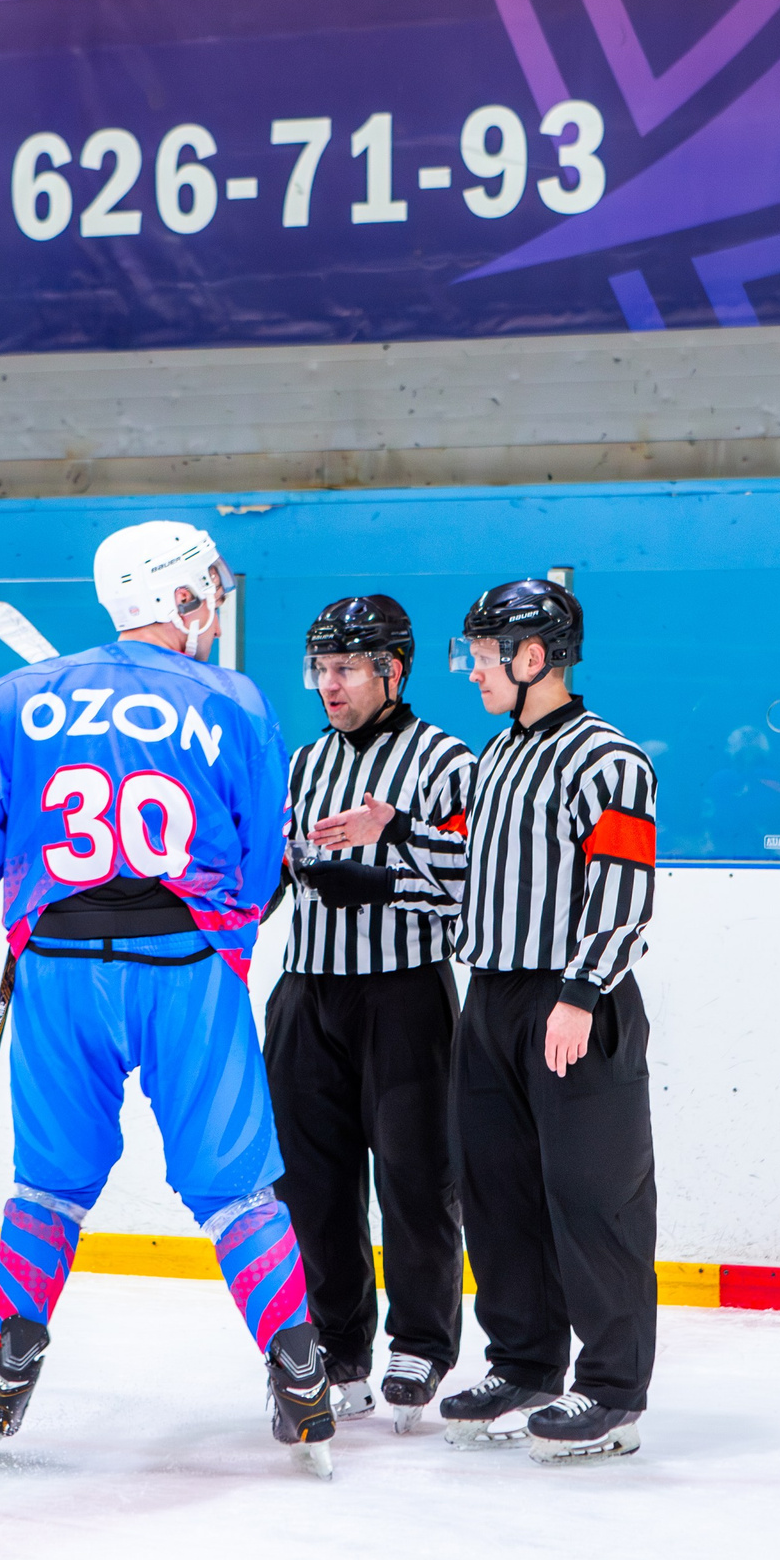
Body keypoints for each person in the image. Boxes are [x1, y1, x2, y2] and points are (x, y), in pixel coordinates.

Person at [0, 520, 335, 1476]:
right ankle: (300, 1369)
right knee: (236, 1187)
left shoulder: (13, 698)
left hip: (60, 975)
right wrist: (217, 932)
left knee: (51, 1182)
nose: (216, 614)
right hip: (187, 966)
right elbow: (256, 865)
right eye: (210, 595)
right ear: (181, 599)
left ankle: (10, 1360)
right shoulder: (234, 701)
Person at [334, 577, 659, 1464]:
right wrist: (392, 830)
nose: (473, 671)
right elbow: (469, 859)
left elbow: (624, 892)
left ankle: (615, 1387)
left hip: (569, 1000)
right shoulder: (496, 757)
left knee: (592, 1196)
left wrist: (581, 994)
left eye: (483, 656)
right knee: (499, 1191)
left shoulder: (609, 759)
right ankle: (523, 1362)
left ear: (533, 656)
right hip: (492, 996)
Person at [265, 595, 474, 1433]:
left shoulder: (446, 760)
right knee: (310, 1184)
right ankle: (341, 1342)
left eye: (347, 666)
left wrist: (386, 870)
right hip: (307, 992)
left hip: (405, 993)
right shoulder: (306, 761)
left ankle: (420, 1340)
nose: (330, 683)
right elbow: (277, 868)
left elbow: (472, 882)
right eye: (321, 667)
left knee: (416, 1175)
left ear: (395, 667)